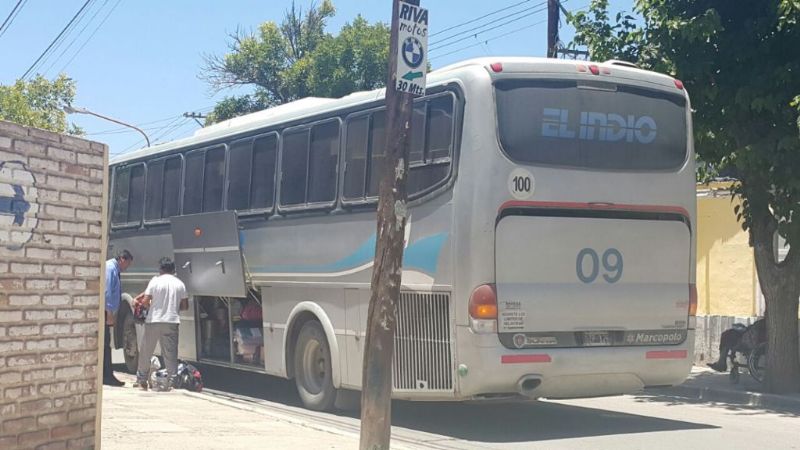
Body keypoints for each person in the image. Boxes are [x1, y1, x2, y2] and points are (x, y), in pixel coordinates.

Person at [135, 257, 188, 390]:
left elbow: (145, 301)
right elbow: (185, 306)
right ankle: (172, 382)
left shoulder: (155, 281)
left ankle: (142, 380)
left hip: (154, 320)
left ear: (161, 269)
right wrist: (172, 307)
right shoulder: (180, 284)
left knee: (146, 351)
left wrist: (151, 306)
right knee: (170, 353)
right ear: (173, 270)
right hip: (171, 321)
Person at [104, 249, 133, 386]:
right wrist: (109, 312)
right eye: (127, 264)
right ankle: (107, 375)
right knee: (105, 344)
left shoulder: (113, 268)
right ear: (122, 259)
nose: (127, 267)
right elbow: (107, 291)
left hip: (108, 311)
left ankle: (107, 374)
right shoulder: (110, 268)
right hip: (106, 312)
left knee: (106, 343)